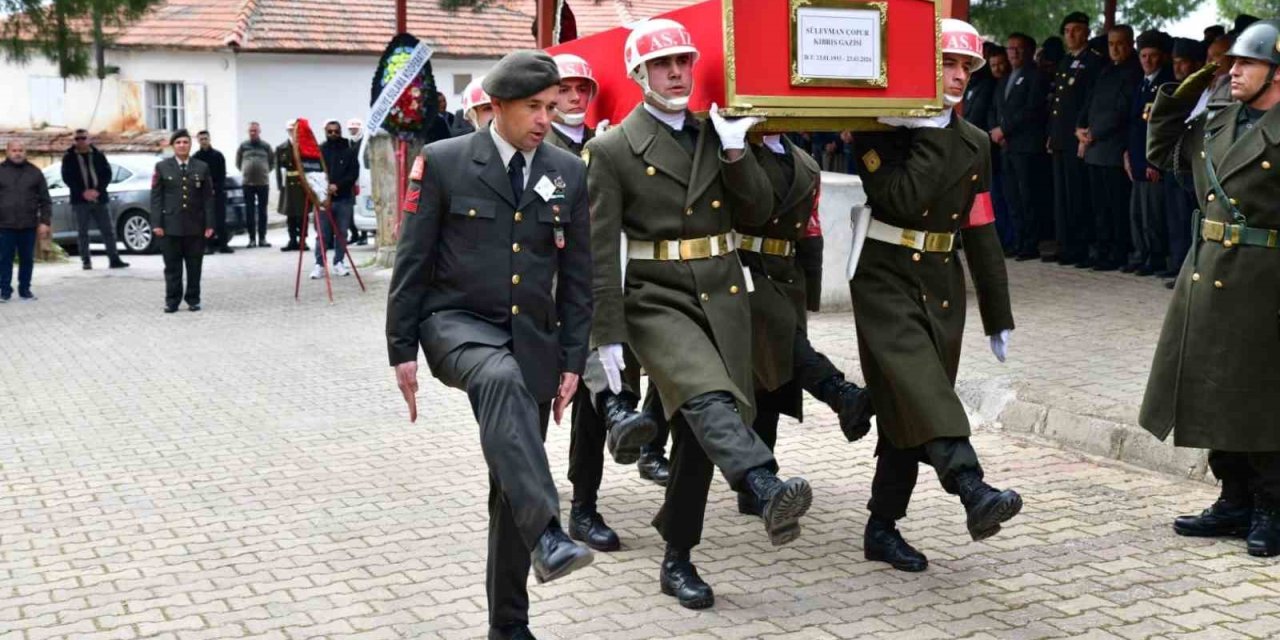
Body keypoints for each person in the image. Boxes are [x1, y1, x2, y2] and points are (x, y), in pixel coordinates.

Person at [586, 18, 814, 609]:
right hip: (656, 296)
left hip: (723, 292)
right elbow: (598, 251)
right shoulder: (611, 149)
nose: (678, 73)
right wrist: (604, 336)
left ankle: (676, 559)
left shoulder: (714, 133)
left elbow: (759, 209)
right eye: (664, 65)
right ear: (638, 75)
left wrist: (738, 150)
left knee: (694, 441)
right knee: (706, 396)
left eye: (685, 62)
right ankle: (763, 484)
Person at [386, 50, 594, 639]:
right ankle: (550, 534)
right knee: (499, 381)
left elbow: (580, 276)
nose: (544, 119)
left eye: (551, 107)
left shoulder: (568, 172)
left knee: (511, 479)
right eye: (532, 106)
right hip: (456, 325)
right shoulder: (446, 162)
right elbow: (413, 259)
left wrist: (573, 360)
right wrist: (401, 347)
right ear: (495, 106)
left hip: (532, 337)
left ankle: (509, 626)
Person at [850, 18, 1021, 573]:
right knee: (921, 386)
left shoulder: (973, 142)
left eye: (963, 66)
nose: (955, 76)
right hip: (884, 276)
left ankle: (882, 525)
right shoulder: (882, 130)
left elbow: (980, 226)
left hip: (942, 283)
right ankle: (971, 487)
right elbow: (902, 196)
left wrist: (998, 312)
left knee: (911, 404)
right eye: (944, 63)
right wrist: (925, 130)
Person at [1142, 19, 1280, 559]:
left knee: (1262, 396)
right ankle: (1234, 499)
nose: (1234, 70)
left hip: (1265, 278)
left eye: (1247, 63)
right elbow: (1162, 154)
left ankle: (1272, 506)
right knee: (1216, 388)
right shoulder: (1221, 122)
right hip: (1209, 269)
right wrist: (1184, 93)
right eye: (1233, 63)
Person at [544, 52, 658, 554]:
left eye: (581, 90)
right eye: (564, 90)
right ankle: (617, 409)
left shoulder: (607, 145)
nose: (573, 98)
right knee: (542, 404)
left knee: (593, 399)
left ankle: (584, 507)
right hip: (546, 289)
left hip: (602, 284)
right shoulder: (538, 145)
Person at [732, 132, 874, 515]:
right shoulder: (730, 149)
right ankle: (838, 392)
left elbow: (811, 230)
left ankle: (757, 481)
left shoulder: (804, 163)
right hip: (740, 268)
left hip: (785, 274)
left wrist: (809, 293)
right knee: (776, 351)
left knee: (771, 379)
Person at [1078, 25, 1142, 272]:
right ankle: (1102, 249)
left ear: (1131, 43)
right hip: (1094, 149)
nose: (1115, 49)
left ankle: (1118, 251)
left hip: (1113, 149)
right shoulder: (1106, 70)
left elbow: (1121, 109)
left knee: (1116, 206)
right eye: (1111, 44)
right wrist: (1079, 127)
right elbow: (1090, 102)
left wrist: (1094, 132)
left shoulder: (1134, 71)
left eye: (1120, 43)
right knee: (1099, 207)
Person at [1047, 12, 1104, 266]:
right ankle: (1064, 244)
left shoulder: (1093, 61)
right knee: (1060, 197)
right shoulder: (1065, 60)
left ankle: (1079, 247)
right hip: (1061, 137)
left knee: (1077, 195)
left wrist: (1083, 131)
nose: (1070, 34)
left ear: (1087, 33)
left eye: (1076, 30)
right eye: (1067, 30)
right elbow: (1057, 103)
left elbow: (1089, 102)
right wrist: (1052, 133)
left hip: (1077, 138)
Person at [994, 32, 1051, 261]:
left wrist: (1005, 130)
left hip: (1026, 146)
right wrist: (997, 130)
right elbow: (998, 109)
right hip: (1007, 146)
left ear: (1029, 51)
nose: (1014, 53)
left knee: (1028, 197)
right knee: (1012, 197)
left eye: (1018, 48)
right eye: (1010, 48)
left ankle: (1030, 243)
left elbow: (1032, 110)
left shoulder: (1036, 76)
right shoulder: (1005, 78)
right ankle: (1017, 241)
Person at [1124, 31, 1174, 276]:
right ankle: (1140, 253)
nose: (1147, 60)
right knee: (1137, 212)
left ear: (1162, 57)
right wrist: (1128, 155)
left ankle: (1154, 256)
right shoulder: (1141, 83)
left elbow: (1161, 128)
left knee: (1152, 214)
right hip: (1136, 157)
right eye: (1143, 55)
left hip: (1151, 160)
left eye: (1153, 56)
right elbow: (1134, 124)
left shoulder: (1165, 85)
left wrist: (1154, 161)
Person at [152, 129, 215, 313]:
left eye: (185, 142)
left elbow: (208, 198)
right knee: (172, 267)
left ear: (190, 144)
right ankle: (172, 301)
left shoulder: (201, 167)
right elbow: (156, 197)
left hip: (195, 225)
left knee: (194, 266)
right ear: (173, 146)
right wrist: (157, 223)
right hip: (170, 225)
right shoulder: (162, 167)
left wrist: (210, 224)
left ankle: (193, 299)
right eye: (178, 142)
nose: (182, 145)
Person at [1162, 37, 1206, 289]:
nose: (1177, 68)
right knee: (1176, 219)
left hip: (1194, 166)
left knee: (1193, 220)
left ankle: (1193, 271)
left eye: (1183, 63)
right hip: (1175, 163)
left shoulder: (1204, 90)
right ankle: (1179, 268)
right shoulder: (1174, 90)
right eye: (1175, 63)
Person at [61, 129, 129, 270]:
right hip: (80, 200)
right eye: (77, 139)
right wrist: (82, 192)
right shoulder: (69, 157)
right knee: (82, 231)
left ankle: (114, 259)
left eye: (83, 138)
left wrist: (98, 190)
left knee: (108, 230)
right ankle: (86, 261)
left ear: (89, 139)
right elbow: (67, 177)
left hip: (99, 198)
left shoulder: (98, 155)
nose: (80, 141)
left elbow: (107, 174)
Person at [0, 140, 52, 302]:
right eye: (14, 150)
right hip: (4, 225)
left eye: (21, 150)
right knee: (4, 259)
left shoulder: (35, 173)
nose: (17, 153)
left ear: (25, 152)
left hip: (28, 225)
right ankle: (4, 291)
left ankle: (25, 290)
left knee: (27, 259)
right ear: (7, 152)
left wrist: (45, 222)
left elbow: (45, 200)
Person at [309, 121, 359, 280]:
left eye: (336, 132)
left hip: (343, 198)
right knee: (322, 234)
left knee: (342, 233)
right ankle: (319, 264)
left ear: (340, 132)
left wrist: (338, 186)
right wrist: (322, 187)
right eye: (329, 132)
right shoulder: (319, 151)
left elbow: (353, 173)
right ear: (325, 132)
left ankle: (339, 262)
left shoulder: (348, 150)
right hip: (323, 199)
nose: (333, 135)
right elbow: (314, 173)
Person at [194, 130, 233, 255]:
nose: (204, 141)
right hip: (203, 193)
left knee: (220, 219)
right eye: (201, 139)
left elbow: (222, 175)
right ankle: (207, 246)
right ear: (198, 141)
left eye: (205, 138)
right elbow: (195, 176)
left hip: (218, 191)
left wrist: (217, 189)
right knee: (206, 220)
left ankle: (223, 245)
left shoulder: (218, 155)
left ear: (209, 139)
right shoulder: (196, 157)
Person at [235, 122, 273, 248]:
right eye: (251, 131)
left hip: (263, 183)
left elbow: (272, 162)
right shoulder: (243, 146)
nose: (253, 133)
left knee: (263, 211)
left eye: (255, 131)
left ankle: (262, 238)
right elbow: (238, 163)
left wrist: (264, 170)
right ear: (248, 132)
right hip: (248, 183)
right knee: (249, 212)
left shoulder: (266, 146)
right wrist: (247, 170)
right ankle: (251, 239)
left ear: (259, 131)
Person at [276, 121, 307, 252]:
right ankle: (292, 239)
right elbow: (278, 168)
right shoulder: (281, 147)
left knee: (302, 215)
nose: (292, 132)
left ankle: (302, 240)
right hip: (288, 184)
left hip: (301, 184)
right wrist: (280, 185)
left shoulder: (304, 146)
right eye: (290, 130)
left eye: (294, 130)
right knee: (291, 215)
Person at [345, 117, 368, 247]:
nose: (353, 130)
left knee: (361, 206)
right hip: (351, 180)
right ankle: (354, 234)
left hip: (362, 178)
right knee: (351, 207)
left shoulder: (364, 143)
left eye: (355, 128)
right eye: (351, 129)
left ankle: (363, 235)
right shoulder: (348, 143)